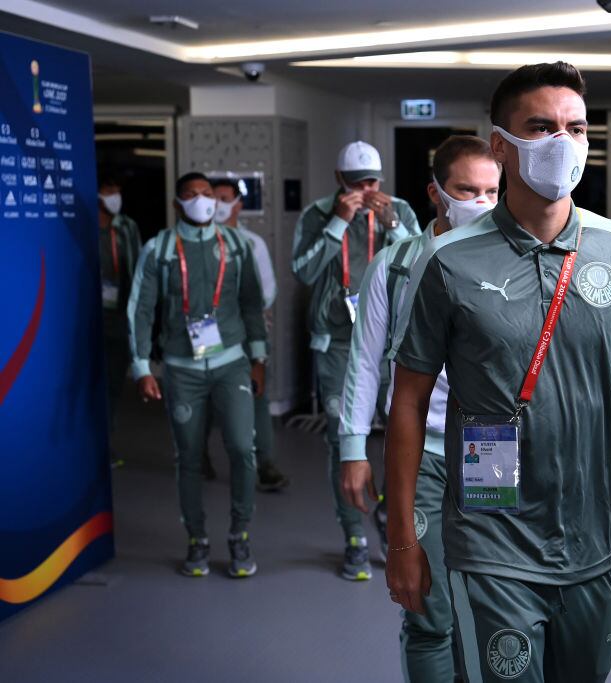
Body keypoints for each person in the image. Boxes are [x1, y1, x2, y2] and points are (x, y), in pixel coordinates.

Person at [384, 62, 611, 682]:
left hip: (588, 541)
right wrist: (403, 539)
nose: (563, 142)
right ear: (501, 146)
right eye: (541, 127)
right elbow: (409, 403)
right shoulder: (447, 260)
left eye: (576, 128)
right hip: (489, 538)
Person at [337, 135, 501, 682]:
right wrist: (353, 449)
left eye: (492, 191)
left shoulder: (517, 263)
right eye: (467, 190)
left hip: (492, 450)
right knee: (427, 606)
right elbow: (365, 362)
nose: (482, 202)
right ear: (436, 193)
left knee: (491, 602)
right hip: (421, 453)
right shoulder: (396, 265)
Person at [128, 172, 268, 579]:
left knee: (242, 448)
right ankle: (197, 538)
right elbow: (141, 309)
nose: (203, 200)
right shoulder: (159, 249)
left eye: (208, 194)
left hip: (231, 362)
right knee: (188, 456)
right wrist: (142, 367)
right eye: (191, 194)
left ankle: (240, 533)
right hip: (181, 368)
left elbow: (252, 303)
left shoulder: (236, 245)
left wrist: (259, 357)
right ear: (177, 203)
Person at [292, 140, 421, 581]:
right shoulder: (317, 214)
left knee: (402, 436)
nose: (366, 191)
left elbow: (421, 266)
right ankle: (353, 538)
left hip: (390, 343)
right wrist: (338, 222)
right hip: (336, 344)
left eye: (372, 182)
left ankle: (388, 516)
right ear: (339, 181)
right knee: (343, 443)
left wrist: (393, 227)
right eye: (356, 183)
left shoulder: (398, 210)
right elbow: (304, 272)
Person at [202, 178, 290, 492]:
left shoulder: (253, 244)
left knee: (256, 393)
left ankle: (265, 463)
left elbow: (267, 290)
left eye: (225, 198)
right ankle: (199, 455)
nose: (218, 205)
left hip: (246, 329)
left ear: (238, 204)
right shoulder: (197, 242)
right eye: (214, 198)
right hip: (207, 333)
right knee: (205, 394)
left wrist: (239, 313)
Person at [97, 173, 142, 458]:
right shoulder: (81, 224)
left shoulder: (127, 227)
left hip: (119, 317)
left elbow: (138, 268)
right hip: (87, 319)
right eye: (108, 189)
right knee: (89, 384)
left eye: (117, 190)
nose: (115, 196)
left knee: (113, 383)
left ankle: (105, 444)